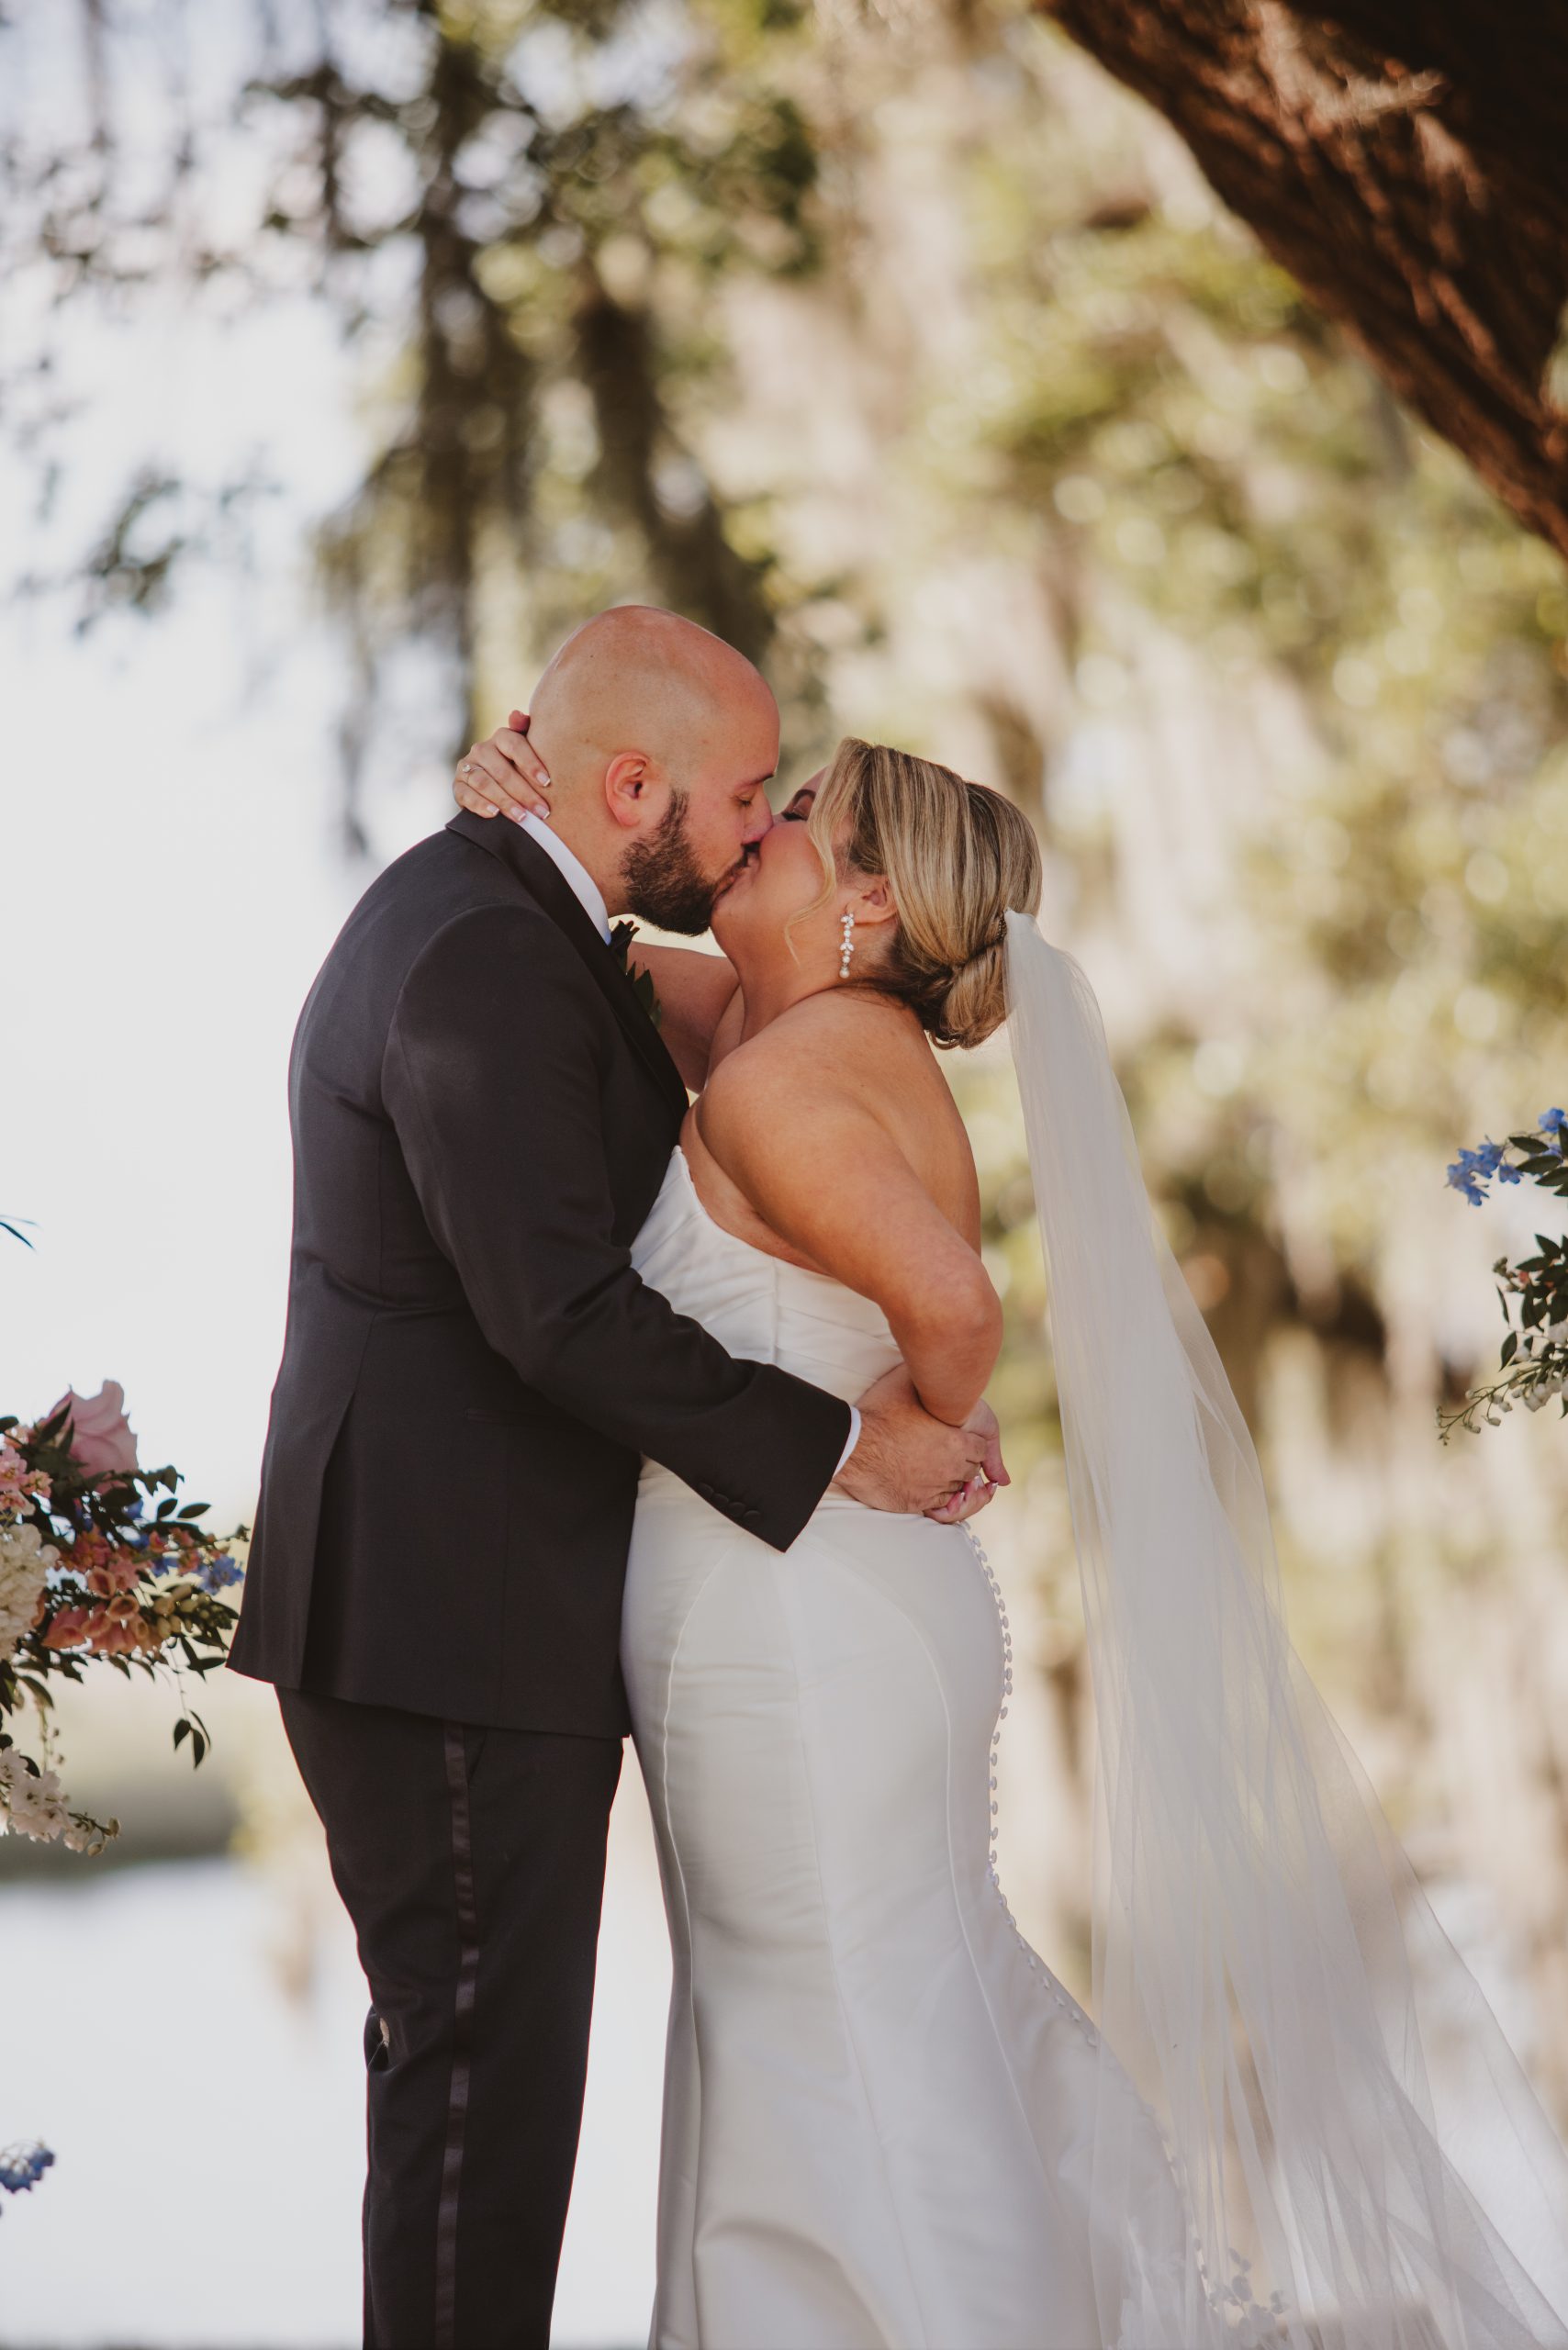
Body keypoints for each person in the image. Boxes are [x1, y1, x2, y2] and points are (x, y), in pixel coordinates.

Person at [457, 718, 1568, 2348]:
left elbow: (960, 1304)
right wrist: (524, 811)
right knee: (885, 2010)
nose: (754, 825)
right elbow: (608, 965)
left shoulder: (785, 1078)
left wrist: (899, 1419)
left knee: (819, 2030)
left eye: (797, 812)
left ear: (874, 897)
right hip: (836, 1611)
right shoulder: (800, 1034)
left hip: (794, 1618)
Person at [229, 607, 1002, 2350]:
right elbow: (556, 1312)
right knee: (478, 2113)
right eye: (744, 792)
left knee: (497, 2107)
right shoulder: (488, 947)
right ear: (634, 784)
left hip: (496, 1619)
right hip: (443, 1624)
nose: (755, 824)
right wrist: (855, 1438)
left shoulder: (542, 929)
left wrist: (524, 795)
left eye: (784, 806)